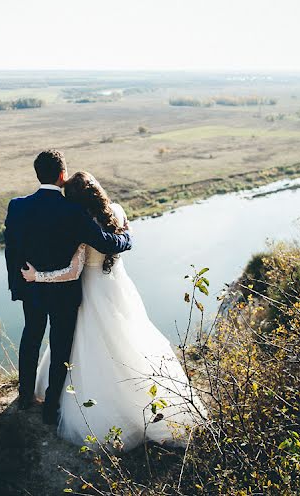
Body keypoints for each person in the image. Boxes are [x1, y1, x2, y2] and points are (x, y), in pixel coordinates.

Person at [23, 171, 205, 449]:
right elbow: (122, 240)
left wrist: (38, 276)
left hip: (91, 292)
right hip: (118, 288)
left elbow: (72, 272)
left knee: (88, 347)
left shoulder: (81, 224)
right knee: (130, 340)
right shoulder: (118, 211)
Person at [4, 150, 132, 425]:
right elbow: (108, 243)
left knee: (31, 339)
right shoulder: (74, 212)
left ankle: (25, 396)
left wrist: (19, 286)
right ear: (62, 175)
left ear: (38, 174)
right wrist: (128, 238)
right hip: (65, 294)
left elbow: (11, 251)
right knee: (60, 348)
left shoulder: (17, 206)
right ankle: (51, 408)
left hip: (32, 290)